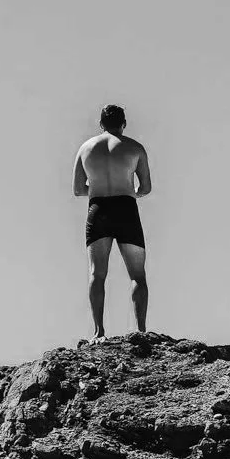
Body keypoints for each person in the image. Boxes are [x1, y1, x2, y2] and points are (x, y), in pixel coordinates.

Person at [74, 104, 152, 338]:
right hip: (126, 207)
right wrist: (132, 191)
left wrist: (97, 186)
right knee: (137, 275)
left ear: (100, 124)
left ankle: (99, 331)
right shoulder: (134, 148)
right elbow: (146, 187)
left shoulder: (85, 148)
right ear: (124, 123)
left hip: (98, 208)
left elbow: (78, 189)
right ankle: (140, 330)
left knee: (97, 274)